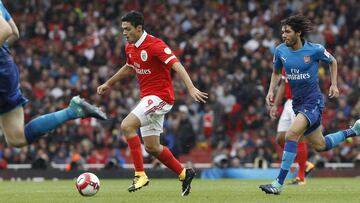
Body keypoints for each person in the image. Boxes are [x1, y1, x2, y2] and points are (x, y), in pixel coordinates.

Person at [97, 11, 208, 196]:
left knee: (126, 125)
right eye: (122, 29)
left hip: (161, 97)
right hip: (148, 98)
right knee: (151, 147)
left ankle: (140, 174)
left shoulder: (155, 45)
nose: (124, 33)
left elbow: (177, 65)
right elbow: (129, 67)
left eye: (127, 29)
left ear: (139, 28)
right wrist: (109, 83)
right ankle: (184, 173)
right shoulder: (130, 47)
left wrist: (190, 88)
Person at [259, 15, 360, 195]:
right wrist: (270, 91)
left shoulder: (315, 50)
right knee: (320, 145)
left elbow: (333, 61)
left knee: (291, 134)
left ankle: (278, 183)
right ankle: (353, 131)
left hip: (313, 102)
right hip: (298, 104)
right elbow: (276, 73)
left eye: (288, 31)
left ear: (298, 32)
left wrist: (334, 84)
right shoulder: (280, 51)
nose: (284, 35)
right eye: (282, 31)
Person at [0, 1, 106, 148]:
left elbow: (5, 30)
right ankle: (72, 111)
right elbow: (14, 32)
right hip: (5, 68)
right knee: (16, 138)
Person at [269, 70, 315, 185]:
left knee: (298, 137)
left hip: (301, 103)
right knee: (280, 138)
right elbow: (283, 85)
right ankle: (304, 164)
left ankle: (301, 177)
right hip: (288, 103)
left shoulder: (304, 62)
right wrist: (275, 105)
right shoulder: (286, 64)